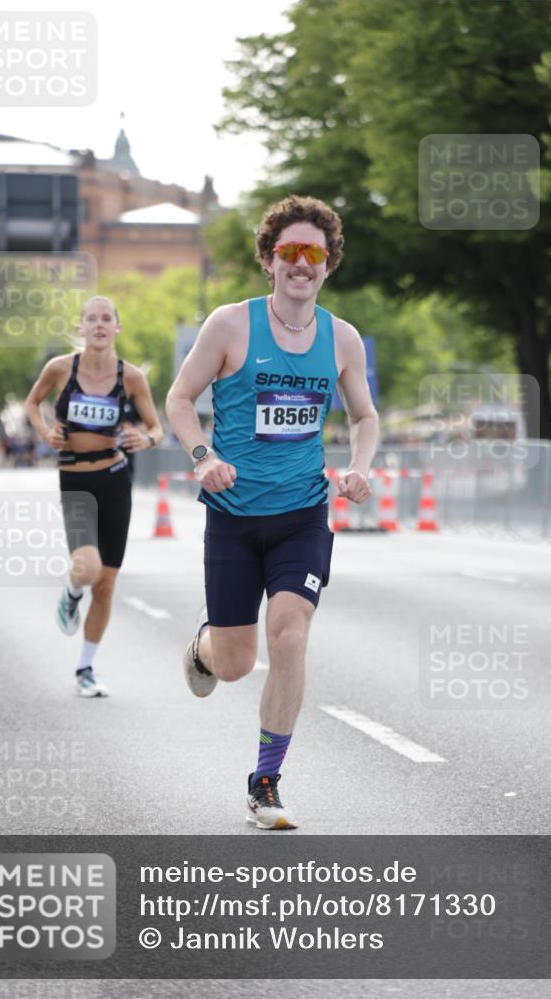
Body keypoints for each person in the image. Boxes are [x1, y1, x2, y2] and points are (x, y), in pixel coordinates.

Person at [166, 195, 379, 828]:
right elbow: (180, 399)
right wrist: (203, 456)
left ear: (329, 263)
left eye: (315, 252)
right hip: (233, 516)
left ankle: (265, 782)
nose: (302, 263)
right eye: (291, 251)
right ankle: (203, 647)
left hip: (302, 515)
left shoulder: (341, 338)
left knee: (289, 637)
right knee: (234, 664)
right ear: (269, 260)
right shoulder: (231, 325)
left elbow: (364, 416)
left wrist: (360, 465)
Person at [25, 295, 163, 697]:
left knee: (105, 584)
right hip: (75, 480)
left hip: (115, 480)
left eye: (106, 319)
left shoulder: (131, 377)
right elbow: (32, 403)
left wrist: (145, 439)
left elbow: (156, 428)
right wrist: (45, 431)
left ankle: (85, 668)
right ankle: (71, 595)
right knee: (86, 568)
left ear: (117, 327)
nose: (99, 325)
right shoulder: (60, 368)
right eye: (92, 319)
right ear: (80, 327)